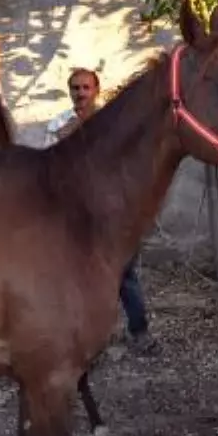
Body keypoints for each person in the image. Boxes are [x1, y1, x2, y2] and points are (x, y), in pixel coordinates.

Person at [44, 68, 156, 354]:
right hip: (74, 216)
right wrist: (65, 141)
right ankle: (81, 336)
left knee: (124, 274)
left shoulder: (114, 126)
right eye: (75, 88)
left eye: (85, 87)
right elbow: (46, 170)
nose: (80, 93)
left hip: (112, 215)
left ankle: (139, 331)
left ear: (97, 90)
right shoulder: (58, 125)